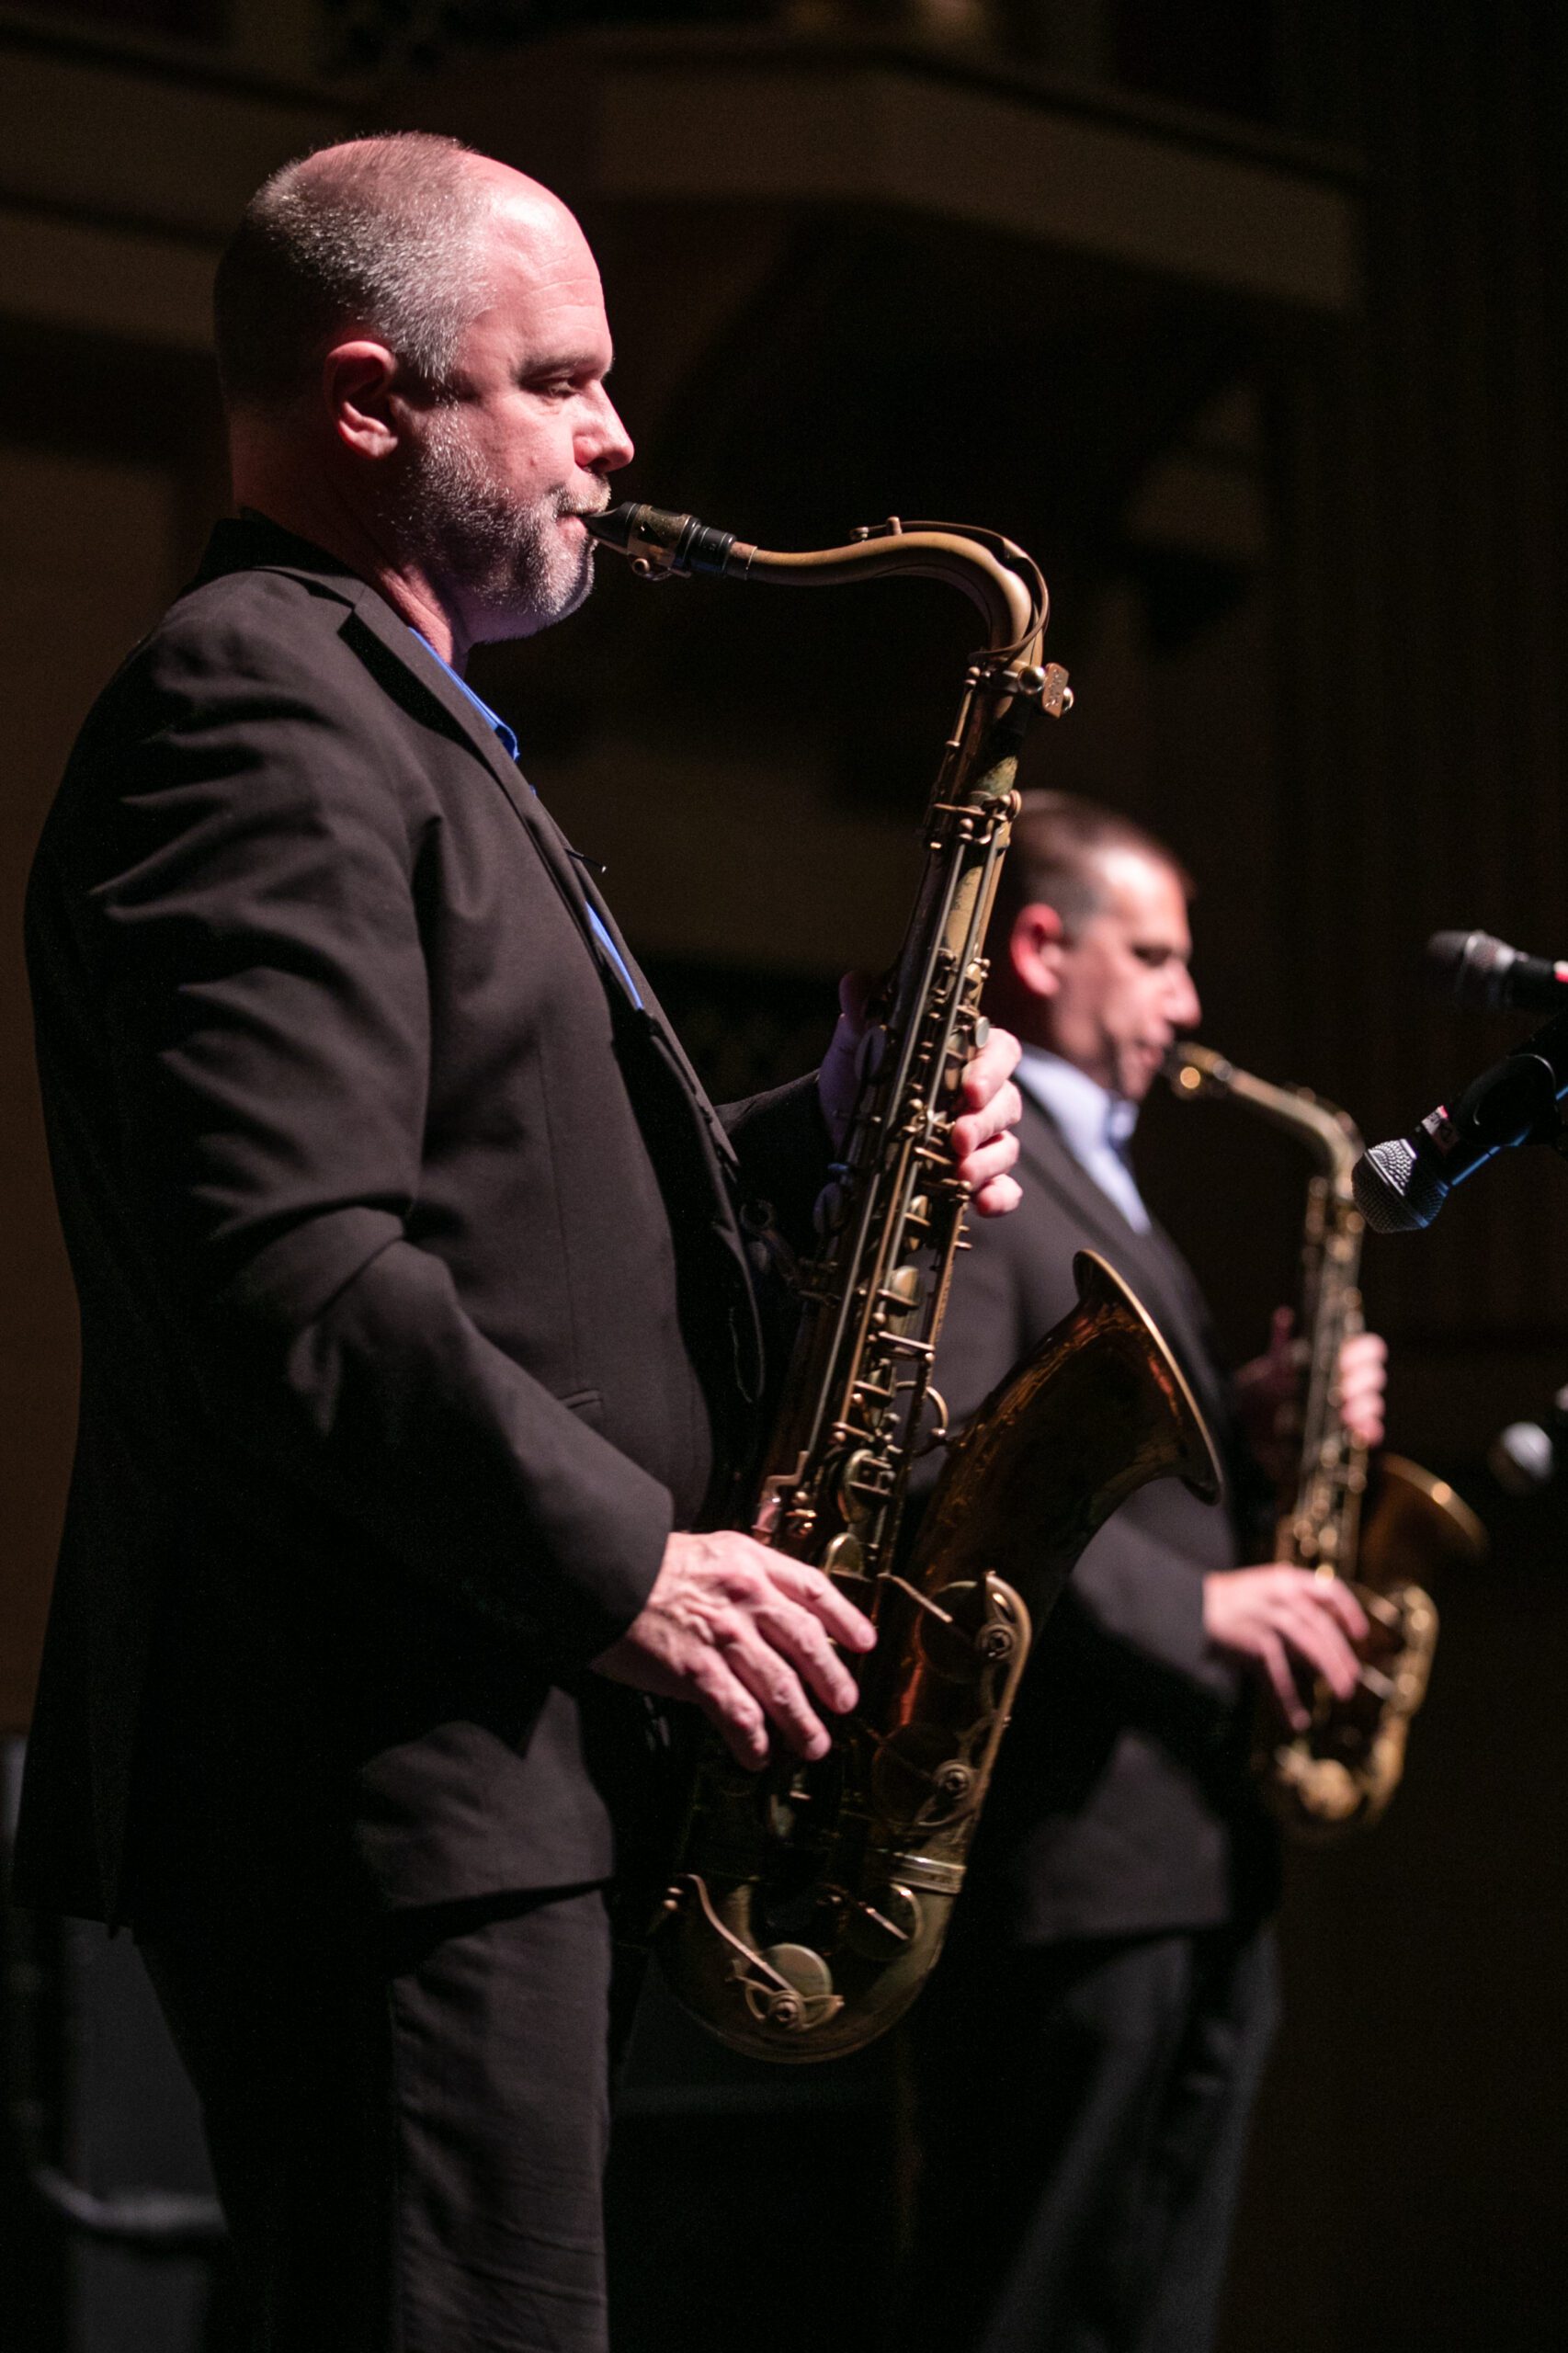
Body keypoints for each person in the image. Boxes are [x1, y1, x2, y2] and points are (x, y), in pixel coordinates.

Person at [13, 135, 1025, 2353]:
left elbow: (522, 1211)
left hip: (479, 1767)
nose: (620, 435)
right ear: (368, 399)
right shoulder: (253, 707)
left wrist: (838, 1128)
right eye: (557, 379)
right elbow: (283, 1267)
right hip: (389, 1771)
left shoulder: (398, 713)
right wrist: (627, 1563)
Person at [901, 791, 1386, 2353]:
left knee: (1146, 2306)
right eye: (1157, 958)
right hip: (1070, 1867)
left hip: (1176, 1854)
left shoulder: (1094, 1167)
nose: (1185, 1003)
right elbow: (946, 1487)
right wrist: (1198, 1607)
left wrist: (1257, 1424)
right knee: (1031, 2303)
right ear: (1042, 948)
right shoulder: (990, 1158)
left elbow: (1097, 1458)